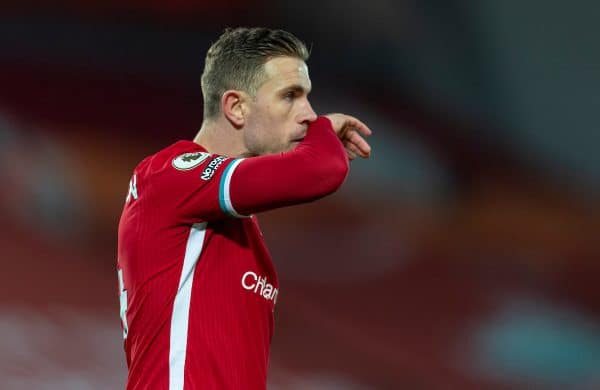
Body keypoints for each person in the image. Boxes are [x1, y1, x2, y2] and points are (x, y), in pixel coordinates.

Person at [117, 27, 372, 390]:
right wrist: (326, 132)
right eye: (290, 96)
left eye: (308, 98)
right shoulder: (170, 175)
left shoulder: (233, 220)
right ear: (236, 107)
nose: (311, 115)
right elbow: (321, 170)